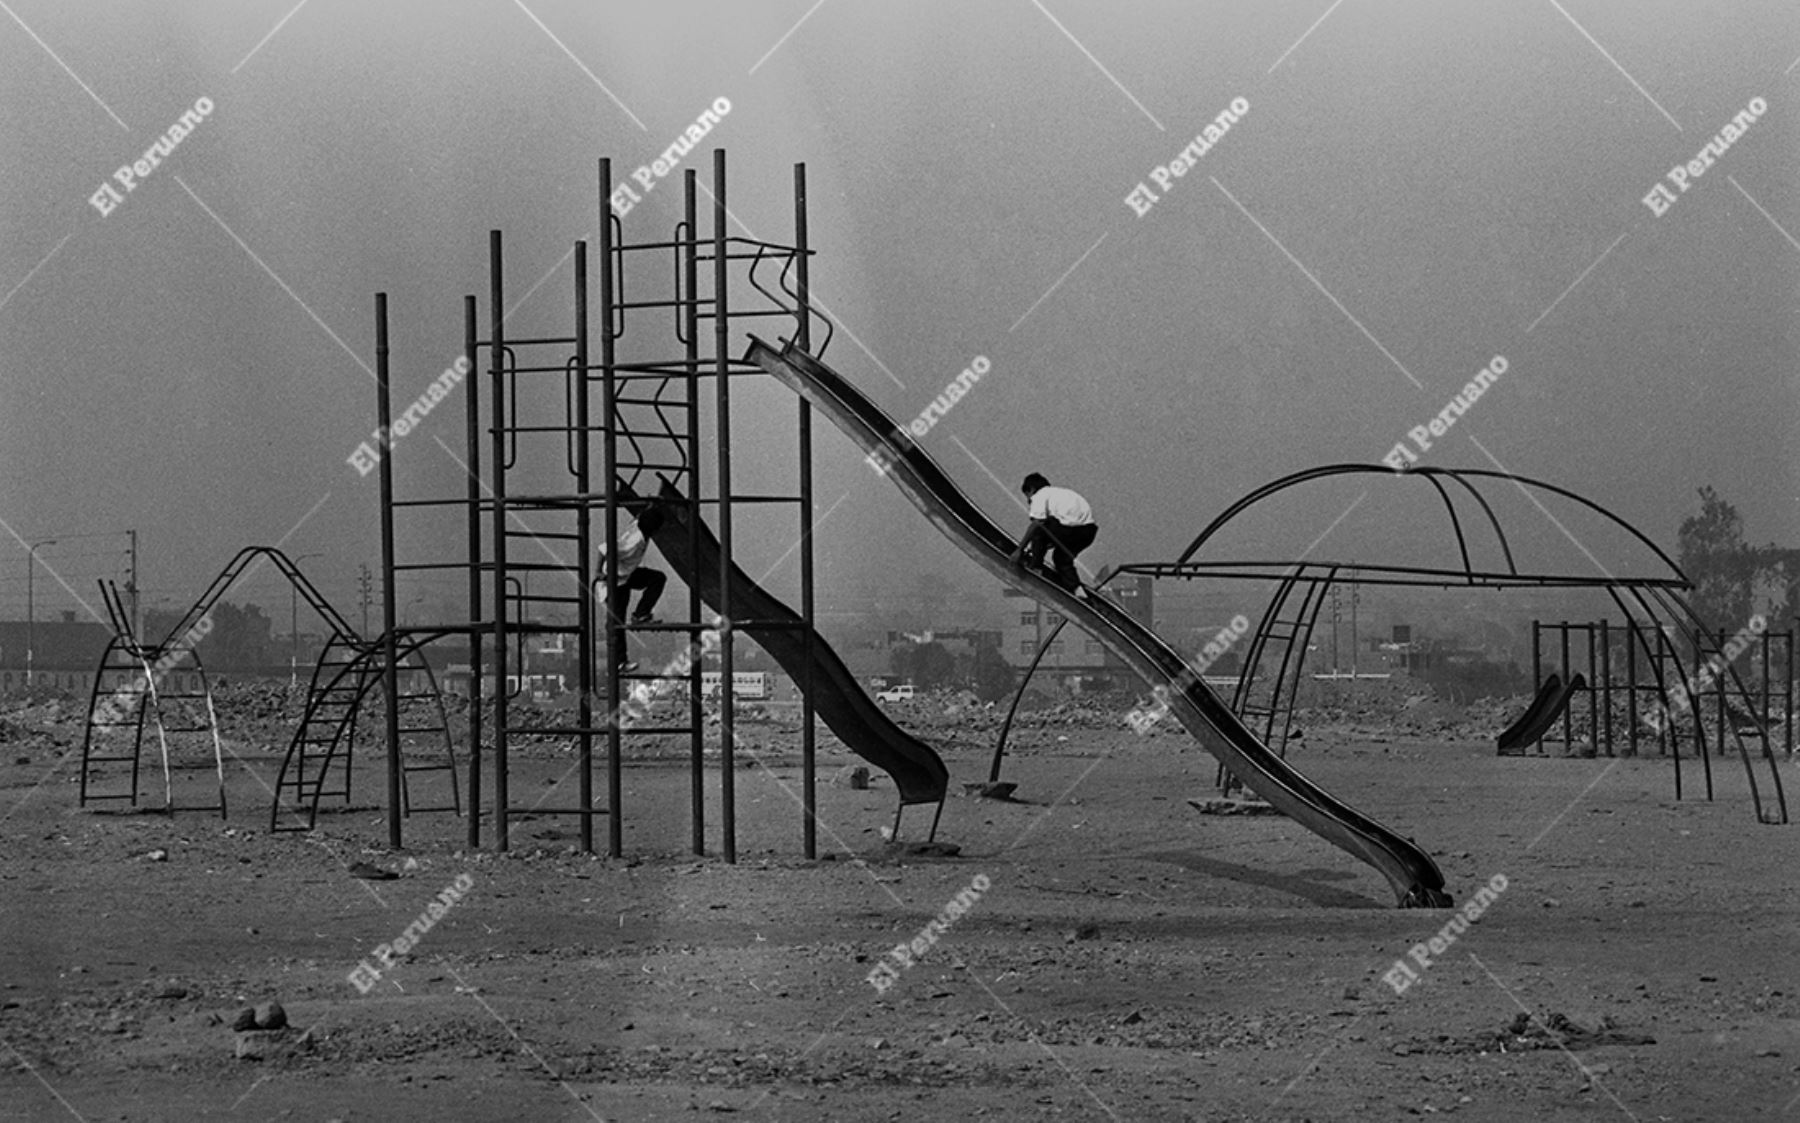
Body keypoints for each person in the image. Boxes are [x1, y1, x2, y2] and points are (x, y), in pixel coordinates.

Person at [598, 502, 667, 671]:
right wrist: (598, 572)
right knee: (617, 621)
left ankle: (641, 613)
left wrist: (651, 506)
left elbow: (640, 516)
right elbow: (603, 549)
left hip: (626, 575)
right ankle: (619, 661)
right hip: (614, 580)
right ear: (653, 530)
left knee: (657, 578)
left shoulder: (639, 526)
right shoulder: (634, 541)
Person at [1008, 472, 1096, 593]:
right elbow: (1066, 527)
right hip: (1088, 532)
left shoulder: (1041, 494)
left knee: (1038, 530)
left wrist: (1019, 549)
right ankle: (1078, 590)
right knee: (1061, 559)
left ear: (1032, 489)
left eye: (1027, 496)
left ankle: (1036, 568)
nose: (1029, 501)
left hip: (1070, 530)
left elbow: (1037, 524)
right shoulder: (1061, 494)